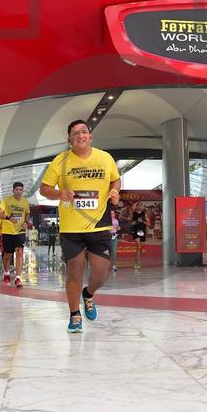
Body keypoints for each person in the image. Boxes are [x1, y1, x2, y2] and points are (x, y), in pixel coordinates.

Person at [39, 119, 120, 333]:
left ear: (90, 136)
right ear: (70, 139)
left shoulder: (105, 158)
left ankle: (88, 294)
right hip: (71, 227)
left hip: (99, 225)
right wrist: (59, 193)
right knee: (74, 271)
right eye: (75, 133)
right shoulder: (60, 161)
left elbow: (115, 179)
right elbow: (44, 189)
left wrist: (114, 191)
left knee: (101, 274)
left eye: (84, 132)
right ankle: (75, 315)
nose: (80, 136)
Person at [0, 181, 32, 288]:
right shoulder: (6, 200)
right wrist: (8, 218)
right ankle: (6, 273)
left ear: (22, 191)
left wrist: (26, 222)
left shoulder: (25, 201)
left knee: (20, 252)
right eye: (16, 189)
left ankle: (18, 278)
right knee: (8, 255)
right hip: (8, 231)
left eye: (20, 189)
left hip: (20, 231)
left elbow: (27, 213)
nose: (18, 191)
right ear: (13, 190)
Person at [130, 202, 147, 271]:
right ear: (136, 207)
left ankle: (136, 261)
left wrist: (142, 221)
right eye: (138, 205)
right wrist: (132, 222)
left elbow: (149, 223)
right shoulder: (133, 213)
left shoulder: (144, 214)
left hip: (142, 231)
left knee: (140, 248)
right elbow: (130, 221)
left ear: (142, 207)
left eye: (141, 205)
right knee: (139, 247)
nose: (139, 207)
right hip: (135, 231)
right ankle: (138, 263)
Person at [110, 208, 120, 273]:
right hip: (107, 238)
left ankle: (114, 266)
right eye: (110, 213)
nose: (112, 214)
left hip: (114, 237)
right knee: (107, 252)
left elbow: (117, 227)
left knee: (114, 252)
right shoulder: (106, 221)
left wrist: (118, 228)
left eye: (113, 213)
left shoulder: (116, 221)